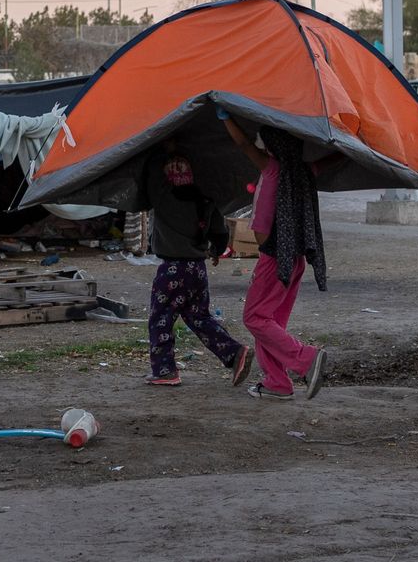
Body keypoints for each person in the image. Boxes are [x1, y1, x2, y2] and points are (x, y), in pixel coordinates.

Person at [222, 112, 330, 401]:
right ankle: (277, 383)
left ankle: (307, 359)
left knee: (255, 318)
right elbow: (330, 161)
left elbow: (244, 145)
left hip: (275, 258)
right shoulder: (304, 170)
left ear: (272, 146)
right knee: (271, 324)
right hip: (294, 258)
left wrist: (224, 117)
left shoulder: (273, 168)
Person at [141, 138, 253, 387]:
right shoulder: (205, 201)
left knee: (161, 319)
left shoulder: (163, 197)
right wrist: (215, 250)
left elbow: (151, 175)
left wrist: (164, 151)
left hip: (172, 270)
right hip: (197, 270)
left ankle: (165, 371)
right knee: (198, 317)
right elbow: (221, 234)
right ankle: (234, 353)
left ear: (167, 177)